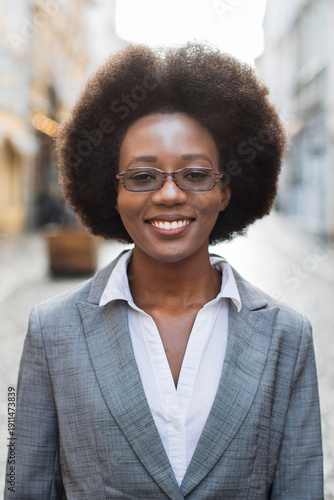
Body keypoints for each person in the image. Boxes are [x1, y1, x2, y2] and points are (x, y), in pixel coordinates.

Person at [5, 42, 323, 499]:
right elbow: (21, 486)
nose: (170, 194)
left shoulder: (287, 339)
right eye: (142, 177)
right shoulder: (50, 332)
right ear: (111, 193)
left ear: (226, 191)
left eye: (194, 174)